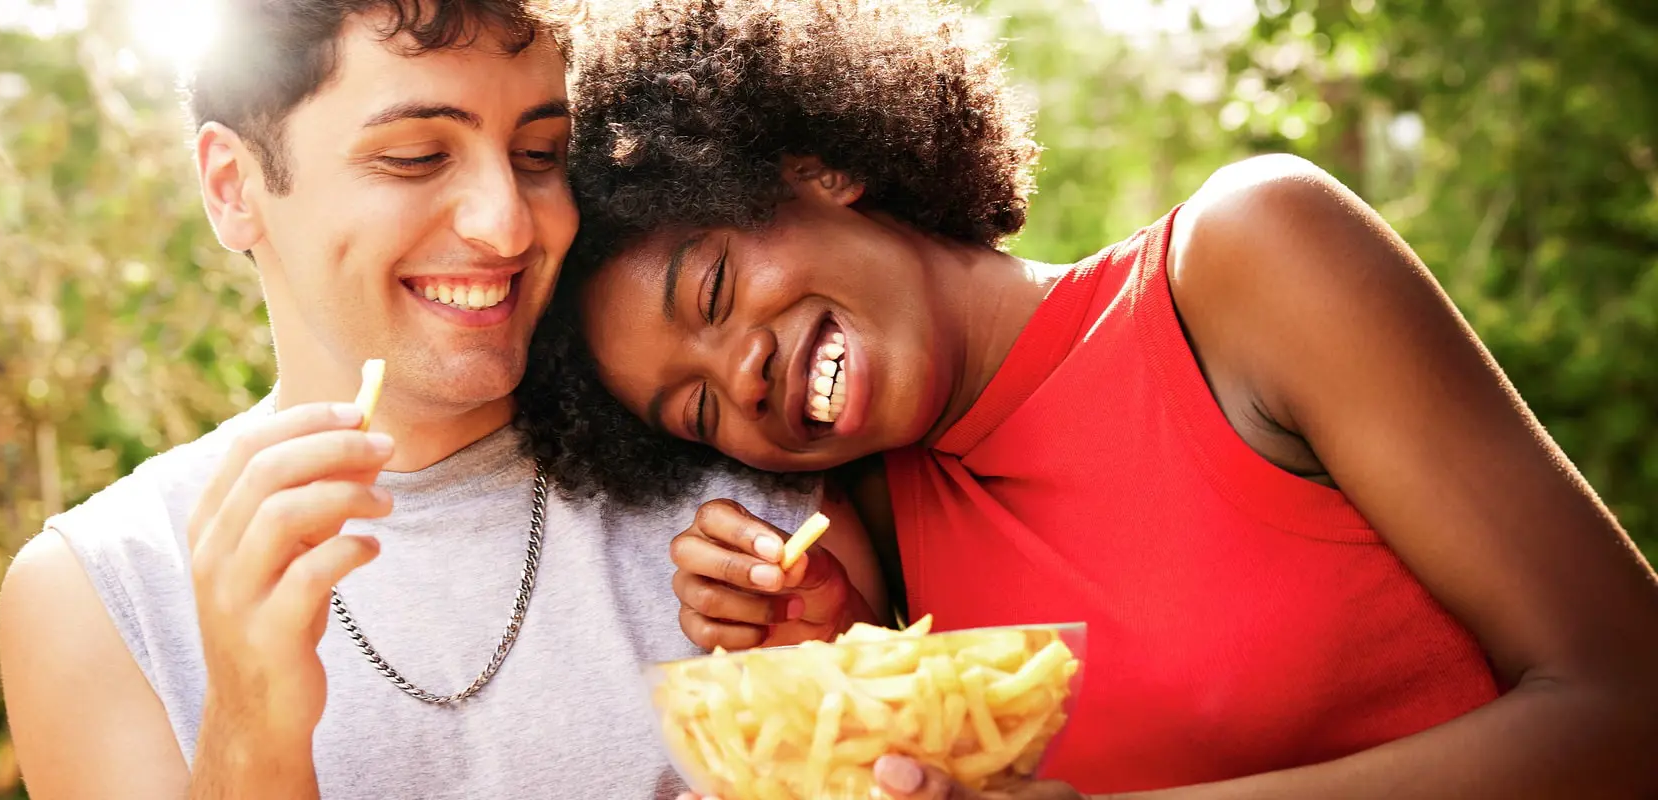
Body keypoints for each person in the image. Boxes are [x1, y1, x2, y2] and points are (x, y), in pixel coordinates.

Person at [514, 0, 1658, 796]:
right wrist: (833, 658)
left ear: (816, 166)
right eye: (696, 412)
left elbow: (1630, 709)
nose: (742, 378)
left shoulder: (1248, 262)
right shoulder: (872, 522)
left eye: (712, 288)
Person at [0, 2, 884, 798]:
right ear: (234, 187)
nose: (506, 223)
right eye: (416, 157)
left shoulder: (761, 523)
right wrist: (250, 727)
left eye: (540, 155)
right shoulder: (97, 593)